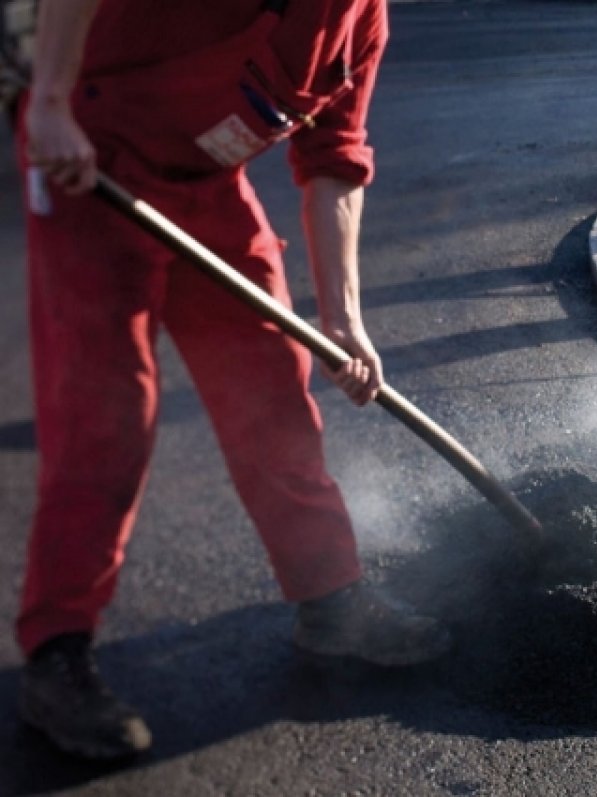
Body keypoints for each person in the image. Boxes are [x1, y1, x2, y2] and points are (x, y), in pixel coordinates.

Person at [13, 0, 451, 760]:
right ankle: (58, 651)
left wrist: (342, 319)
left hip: (207, 188)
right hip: (90, 157)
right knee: (106, 416)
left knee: (275, 395)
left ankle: (331, 602)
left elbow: (335, 156)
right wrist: (47, 101)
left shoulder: (362, 21)